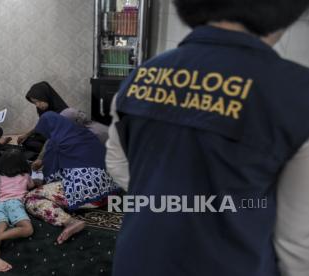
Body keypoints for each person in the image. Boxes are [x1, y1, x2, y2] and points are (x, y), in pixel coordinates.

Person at [106, 1, 309, 276]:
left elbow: (117, 166)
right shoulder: (296, 94)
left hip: (137, 257)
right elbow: (297, 245)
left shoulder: (138, 78)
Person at [25, 112, 118, 244]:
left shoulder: (55, 144)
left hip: (88, 196)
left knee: (32, 198)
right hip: (108, 192)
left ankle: (70, 222)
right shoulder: (85, 134)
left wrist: (39, 182)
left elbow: (52, 177)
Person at [0, 150, 36, 272]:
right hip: (14, 203)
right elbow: (31, 186)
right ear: (23, 164)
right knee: (27, 229)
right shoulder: (25, 175)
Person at [17, 81, 69, 153]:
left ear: (46, 97)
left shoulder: (63, 112)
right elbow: (42, 125)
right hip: (49, 135)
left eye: (39, 101)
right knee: (26, 141)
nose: (37, 105)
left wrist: (40, 158)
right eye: (34, 103)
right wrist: (26, 135)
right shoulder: (42, 108)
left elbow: (55, 136)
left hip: (60, 139)